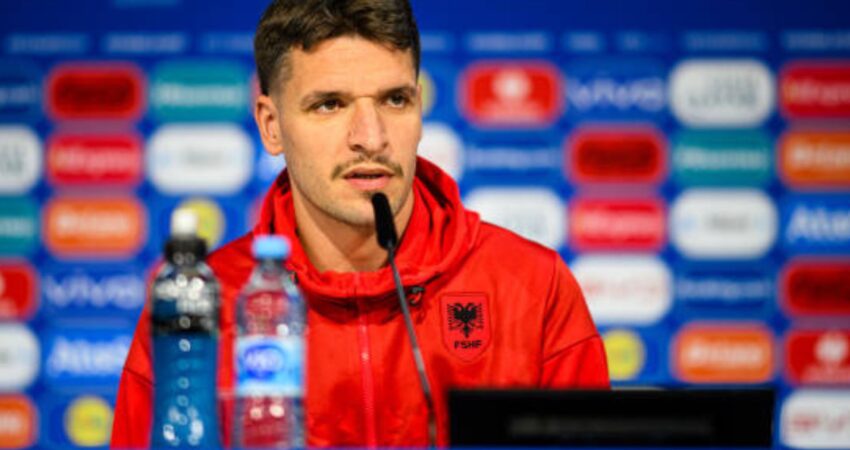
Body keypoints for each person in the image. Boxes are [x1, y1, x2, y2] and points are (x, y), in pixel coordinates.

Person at [111, 0, 609, 447]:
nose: (371, 138)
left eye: (395, 100)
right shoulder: (198, 306)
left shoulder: (533, 286)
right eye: (329, 104)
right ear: (271, 125)